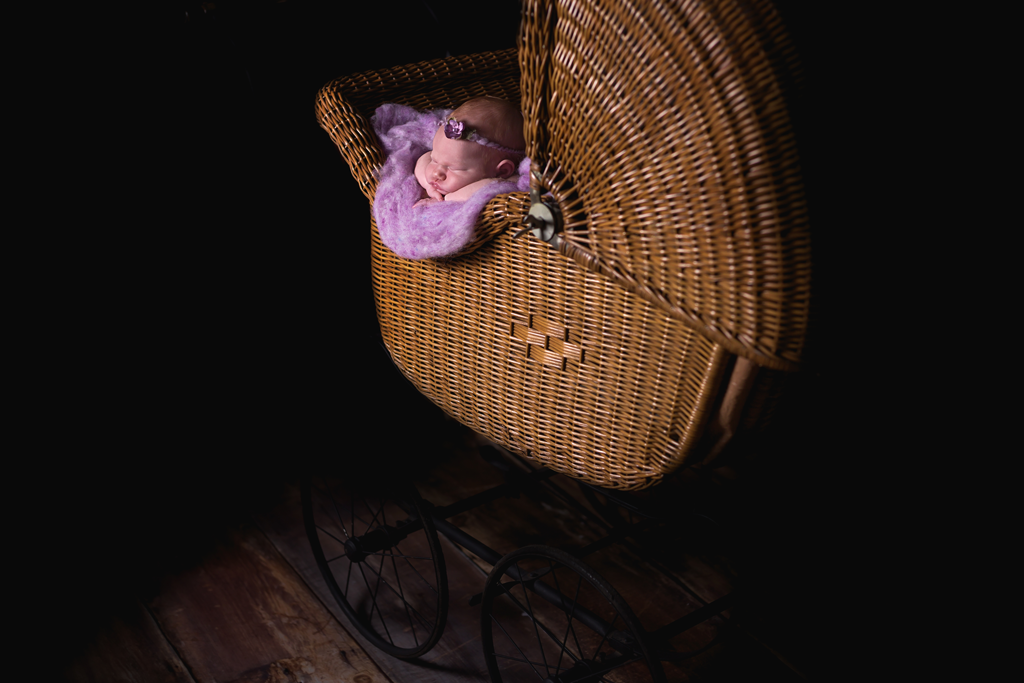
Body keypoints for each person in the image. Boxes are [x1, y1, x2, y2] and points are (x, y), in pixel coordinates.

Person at [414, 96, 526, 204]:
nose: (436, 173)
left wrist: (447, 199)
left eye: (452, 168)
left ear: (502, 171)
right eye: (435, 160)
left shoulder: (513, 182)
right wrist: (429, 186)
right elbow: (424, 158)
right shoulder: (447, 156)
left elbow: (488, 187)